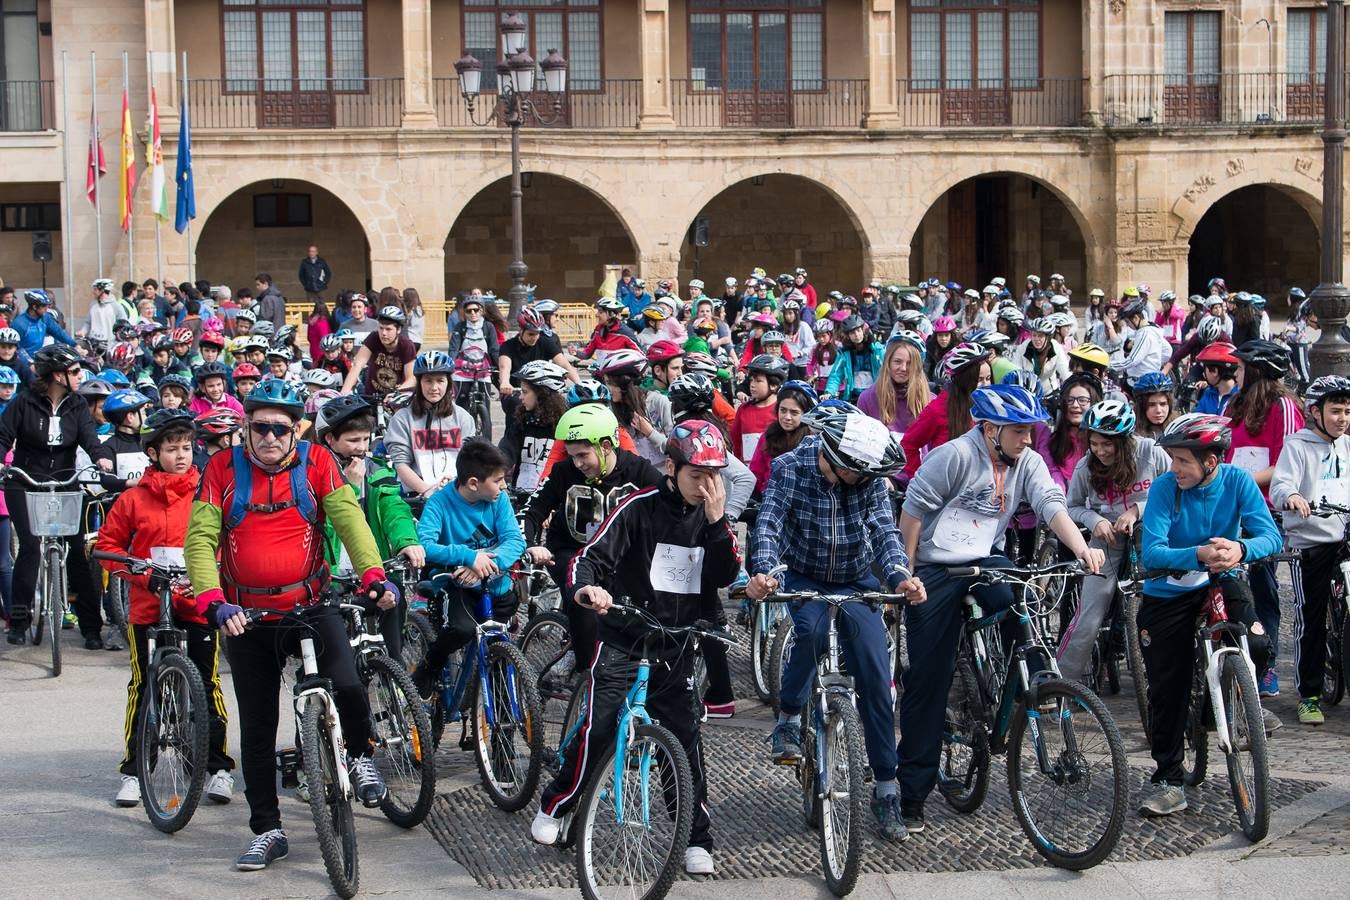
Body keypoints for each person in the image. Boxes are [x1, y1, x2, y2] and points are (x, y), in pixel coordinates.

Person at [184, 378, 396, 871]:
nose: (271, 437)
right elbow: (200, 538)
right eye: (260, 427)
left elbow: (349, 520)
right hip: (247, 616)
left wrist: (372, 573)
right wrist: (213, 601)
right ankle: (268, 831)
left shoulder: (318, 462)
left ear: (295, 429)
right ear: (247, 426)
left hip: (310, 602)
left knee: (347, 681)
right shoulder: (219, 468)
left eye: (281, 428)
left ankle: (360, 755)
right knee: (258, 728)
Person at [531, 420, 740, 875]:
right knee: (599, 727)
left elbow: (724, 574)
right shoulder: (637, 507)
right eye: (696, 476)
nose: (707, 487)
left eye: (714, 476)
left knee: (684, 744)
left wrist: (719, 522)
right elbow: (590, 558)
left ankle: (694, 838)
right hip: (625, 636)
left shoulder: (711, 517)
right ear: (672, 467)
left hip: (677, 644)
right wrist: (587, 591)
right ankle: (556, 804)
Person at [896, 384, 1103, 832]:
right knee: (927, 685)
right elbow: (911, 515)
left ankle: (1026, 679)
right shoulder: (953, 456)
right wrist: (907, 574)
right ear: (990, 430)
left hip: (984, 558)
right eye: (1018, 432)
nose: (1028, 440)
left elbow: (1051, 504)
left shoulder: (1026, 461)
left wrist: (1081, 547)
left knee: (1018, 599)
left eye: (1030, 431)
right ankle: (911, 793)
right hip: (935, 567)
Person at [746, 403, 925, 840]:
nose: (864, 482)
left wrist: (901, 576)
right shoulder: (791, 466)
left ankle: (886, 788)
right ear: (835, 457)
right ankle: (789, 717)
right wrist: (765, 570)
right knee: (808, 633)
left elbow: (884, 532)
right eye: (857, 474)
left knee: (874, 670)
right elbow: (768, 524)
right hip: (802, 573)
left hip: (855, 577)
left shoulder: (868, 479)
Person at [1136, 413, 1282, 816]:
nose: (1175, 468)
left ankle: (1218, 707)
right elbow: (1152, 553)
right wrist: (1197, 554)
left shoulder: (1237, 481)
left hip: (1220, 578)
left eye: (1183, 460)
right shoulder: (1166, 489)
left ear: (1211, 461)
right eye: (1172, 459)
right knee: (1167, 687)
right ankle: (1168, 778)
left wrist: (1240, 550)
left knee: (1257, 642)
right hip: (1169, 588)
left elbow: (1270, 535)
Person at [95, 408, 236, 808]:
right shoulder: (133, 498)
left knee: (208, 683)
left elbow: (226, 541)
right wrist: (143, 577)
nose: (181, 455)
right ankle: (135, 771)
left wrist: (209, 575)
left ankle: (218, 767)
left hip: (198, 604)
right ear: (153, 453)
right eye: (171, 448)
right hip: (149, 608)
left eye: (187, 448)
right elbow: (107, 548)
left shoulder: (206, 492)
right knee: (143, 686)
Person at [520, 404, 661, 670]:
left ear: (606, 446)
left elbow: (670, 508)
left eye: (583, 455)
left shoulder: (639, 472)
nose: (577, 463)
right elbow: (531, 511)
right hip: (570, 554)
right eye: (572, 456)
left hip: (619, 558)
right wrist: (530, 545)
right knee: (585, 605)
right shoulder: (563, 472)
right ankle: (587, 676)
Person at [0, 345, 114, 646]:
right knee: (30, 546)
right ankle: (20, 619)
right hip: (24, 480)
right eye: (75, 371)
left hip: (64, 480)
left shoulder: (77, 404)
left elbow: (90, 437)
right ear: (57, 375)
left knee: (76, 550)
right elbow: (3, 436)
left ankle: (90, 626)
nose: (79, 376)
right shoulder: (24, 402)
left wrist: (102, 458)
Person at [1057, 399, 1171, 681]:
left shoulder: (1150, 452)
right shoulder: (1086, 466)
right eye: (1094, 443)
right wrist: (1095, 521)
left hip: (1150, 532)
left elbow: (1174, 488)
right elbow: (1071, 506)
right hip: (1107, 537)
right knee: (1091, 611)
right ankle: (1063, 682)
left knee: (1161, 603)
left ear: (1125, 440)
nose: (1100, 451)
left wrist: (1137, 510)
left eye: (1107, 444)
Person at [411, 438, 525, 698]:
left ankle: (496, 712)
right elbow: (424, 544)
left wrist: (487, 562)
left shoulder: (499, 500)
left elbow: (514, 540)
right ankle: (429, 665)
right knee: (460, 630)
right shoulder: (439, 503)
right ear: (474, 483)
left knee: (499, 646)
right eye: (497, 480)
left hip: (497, 587)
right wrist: (467, 557)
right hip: (458, 587)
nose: (504, 486)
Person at [314, 393, 424, 660]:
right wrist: (349, 486)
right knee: (336, 648)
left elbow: (394, 508)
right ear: (329, 439)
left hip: (372, 566)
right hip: (331, 570)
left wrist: (406, 541)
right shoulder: (313, 472)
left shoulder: (375, 469)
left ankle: (396, 678)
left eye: (365, 439)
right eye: (353, 440)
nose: (361, 448)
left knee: (393, 603)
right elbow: (330, 521)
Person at [1226, 339, 1304, 696]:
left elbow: (1284, 465)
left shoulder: (1283, 406)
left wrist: (1238, 483)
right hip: (1230, 504)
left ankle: (1267, 662)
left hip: (1263, 509)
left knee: (1263, 586)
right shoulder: (1234, 404)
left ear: (1256, 371)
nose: (1235, 373)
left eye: (1240, 367)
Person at [1271, 375, 1350, 725]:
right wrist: (1291, 497)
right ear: (1315, 412)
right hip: (1312, 543)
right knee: (1311, 617)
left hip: (1345, 537)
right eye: (1335, 411)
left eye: (1347, 411)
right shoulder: (1297, 446)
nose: (1343, 419)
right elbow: (1281, 485)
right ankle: (1310, 695)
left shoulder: (1347, 445)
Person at [386, 350, 477, 500]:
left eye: (440, 380)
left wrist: (456, 486)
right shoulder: (402, 419)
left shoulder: (463, 418)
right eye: (428, 380)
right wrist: (427, 491)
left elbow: (470, 460)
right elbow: (401, 464)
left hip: (457, 492)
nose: (434, 387)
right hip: (417, 495)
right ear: (419, 383)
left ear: (448, 383)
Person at [900, 343, 992, 483]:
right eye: (979, 380)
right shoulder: (937, 409)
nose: (986, 385)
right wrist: (919, 481)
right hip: (946, 491)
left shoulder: (989, 406)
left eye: (988, 378)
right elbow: (908, 445)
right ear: (964, 380)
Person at [498, 360, 568, 494]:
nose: (521, 397)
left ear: (542, 394)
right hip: (520, 493)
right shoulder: (522, 420)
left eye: (525, 392)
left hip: (554, 495)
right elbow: (506, 450)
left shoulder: (564, 423)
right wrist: (495, 471)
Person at [595, 348, 673, 468]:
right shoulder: (611, 410)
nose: (607, 389)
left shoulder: (659, 402)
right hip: (632, 475)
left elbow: (675, 447)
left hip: (662, 473)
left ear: (626, 383)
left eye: (610, 383)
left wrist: (650, 433)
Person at [748, 379, 817, 494]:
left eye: (794, 412)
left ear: (807, 414)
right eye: (783, 410)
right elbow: (756, 473)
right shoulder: (768, 436)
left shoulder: (813, 441)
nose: (787, 417)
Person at [858, 335, 931, 437]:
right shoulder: (867, 399)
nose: (903, 368)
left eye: (910, 363)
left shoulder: (930, 401)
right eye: (897, 361)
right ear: (888, 363)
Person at [341, 305, 416, 397]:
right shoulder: (373, 338)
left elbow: (411, 379)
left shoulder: (406, 345)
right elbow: (357, 365)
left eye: (388, 329)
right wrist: (344, 391)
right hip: (372, 395)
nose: (383, 333)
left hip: (396, 397)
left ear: (398, 330)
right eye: (381, 328)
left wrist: (395, 394)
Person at [731, 354, 787, 464]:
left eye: (758, 381)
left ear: (773, 385)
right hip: (748, 472)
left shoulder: (782, 410)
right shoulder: (744, 409)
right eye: (751, 380)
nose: (752, 385)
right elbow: (736, 441)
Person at [1112, 300, 1172, 388]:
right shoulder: (1153, 329)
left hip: (1140, 380)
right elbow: (1168, 351)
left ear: (1136, 318)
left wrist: (1109, 365)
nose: (1128, 325)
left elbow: (1132, 360)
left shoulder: (1144, 333)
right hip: (1151, 378)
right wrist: (1155, 364)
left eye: (1127, 322)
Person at [826, 315, 884, 403]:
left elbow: (888, 368)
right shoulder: (845, 353)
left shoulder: (876, 349)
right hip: (854, 397)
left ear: (863, 331)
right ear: (848, 336)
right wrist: (829, 391)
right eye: (852, 333)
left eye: (858, 331)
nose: (856, 335)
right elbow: (836, 374)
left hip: (876, 395)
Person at [13, 289, 76, 356]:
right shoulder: (19, 324)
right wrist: (29, 363)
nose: (47, 308)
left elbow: (59, 332)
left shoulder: (45, 318)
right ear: (34, 307)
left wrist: (75, 345)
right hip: (24, 362)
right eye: (44, 306)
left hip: (39, 359)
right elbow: (17, 349)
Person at [1013, 317, 1069, 392]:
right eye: (1034, 335)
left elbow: (1065, 372)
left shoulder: (1056, 348)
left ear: (1048, 337)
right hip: (1028, 391)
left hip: (1049, 391)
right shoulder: (1023, 348)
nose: (1036, 339)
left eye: (1040, 336)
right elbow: (1015, 370)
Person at [1192, 340, 1240, 415]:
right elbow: (1197, 417)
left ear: (1214, 371)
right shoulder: (1208, 393)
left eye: (1205, 369)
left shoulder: (1241, 397)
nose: (1203, 374)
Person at [88, 278, 121, 345]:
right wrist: (82, 331)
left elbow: (123, 323)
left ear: (102, 290)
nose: (93, 292)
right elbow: (88, 322)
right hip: (93, 343)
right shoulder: (93, 305)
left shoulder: (116, 306)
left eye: (95, 289)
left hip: (110, 343)